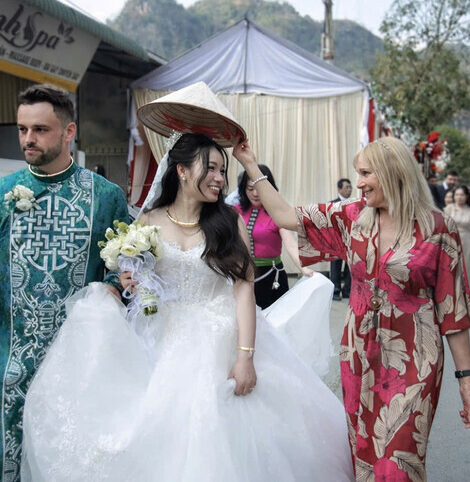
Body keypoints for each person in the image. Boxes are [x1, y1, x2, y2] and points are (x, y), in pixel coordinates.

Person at [20, 134, 354, 476]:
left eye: (222, 170)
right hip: (158, 340)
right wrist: (129, 279)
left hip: (220, 339)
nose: (219, 178)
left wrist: (245, 357)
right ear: (181, 170)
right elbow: (137, 280)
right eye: (211, 168)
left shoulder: (228, 221)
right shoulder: (148, 221)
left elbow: (244, 289)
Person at [233, 137, 470, 478]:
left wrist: (467, 380)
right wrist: (250, 163)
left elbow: (454, 314)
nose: (359, 183)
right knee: (363, 454)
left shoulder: (438, 229)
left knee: (397, 462)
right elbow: (286, 216)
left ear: (392, 173)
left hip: (415, 361)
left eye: (366, 174)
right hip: (359, 354)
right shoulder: (351, 216)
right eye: (358, 174)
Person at [0, 84, 129, 481]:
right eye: (22, 129)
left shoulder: (106, 197)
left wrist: (116, 286)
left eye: (40, 130)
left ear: (69, 132)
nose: (28, 139)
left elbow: (124, 265)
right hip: (6, 364)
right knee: (1, 465)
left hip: (79, 364)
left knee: (71, 465)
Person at [235, 165, 314, 309]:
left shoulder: (277, 213)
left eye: (259, 188)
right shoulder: (236, 211)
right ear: (243, 189)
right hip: (243, 274)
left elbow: (291, 244)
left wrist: (304, 268)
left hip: (271, 276)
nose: (255, 193)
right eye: (250, 188)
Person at [444, 186, 470, 319]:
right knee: (451, 269)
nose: (459, 197)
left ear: (466, 196)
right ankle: (452, 297)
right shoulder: (448, 209)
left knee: (466, 268)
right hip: (449, 241)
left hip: (466, 242)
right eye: (457, 195)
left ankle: (468, 294)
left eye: (462, 195)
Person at [330, 178, 353, 301]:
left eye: (350, 187)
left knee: (350, 267)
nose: (349, 190)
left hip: (351, 240)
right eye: (346, 187)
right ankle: (335, 290)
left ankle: (347, 290)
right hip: (337, 240)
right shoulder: (332, 204)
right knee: (335, 266)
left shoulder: (355, 204)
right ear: (339, 189)